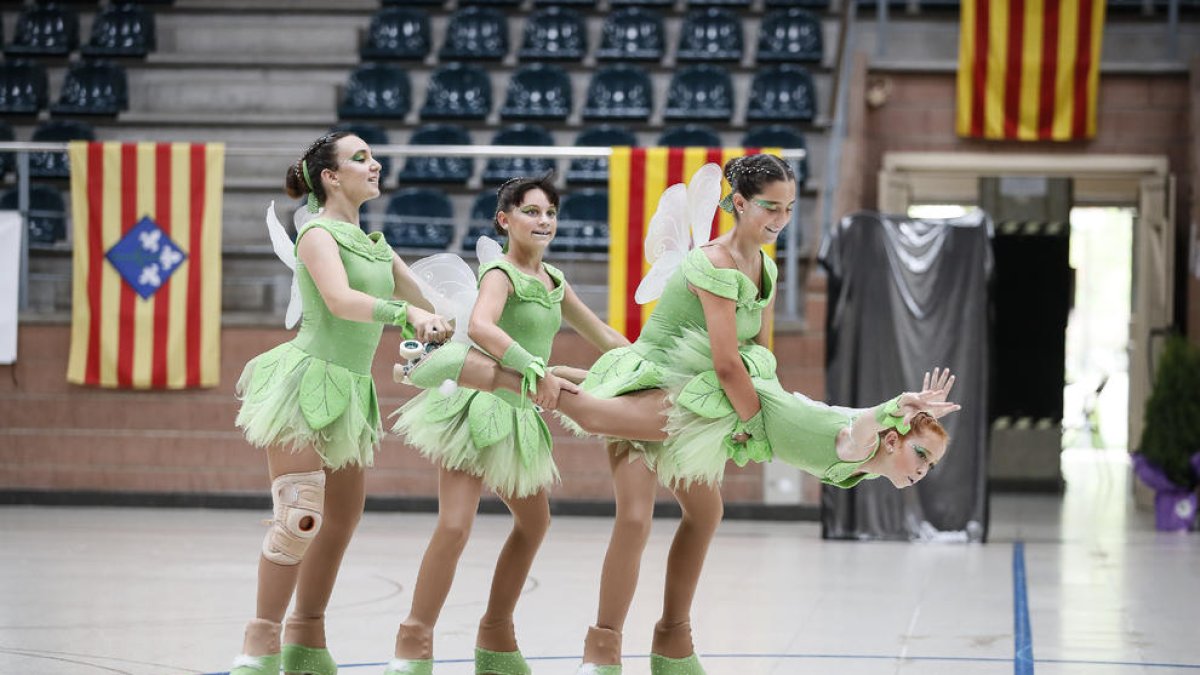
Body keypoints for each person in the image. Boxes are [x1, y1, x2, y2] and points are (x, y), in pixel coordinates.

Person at [400, 154, 959, 675]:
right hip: (673, 390)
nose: (782, 219)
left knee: (702, 512)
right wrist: (746, 422)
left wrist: (614, 365)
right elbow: (725, 362)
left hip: (695, 395)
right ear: (739, 202)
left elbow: (617, 338)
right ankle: (599, 648)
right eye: (771, 206)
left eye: (789, 208)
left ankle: (669, 637)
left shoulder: (762, 269)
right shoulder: (710, 264)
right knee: (627, 507)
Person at [384, 174, 630, 675]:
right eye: (532, 212)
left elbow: (601, 332)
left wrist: (647, 364)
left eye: (550, 214)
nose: (544, 222)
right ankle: (413, 642)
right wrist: (528, 363)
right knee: (454, 526)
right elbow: (480, 326)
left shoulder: (553, 281)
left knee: (535, 522)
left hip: (520, 413)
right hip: (478, 404)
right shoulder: (500, 271)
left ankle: (496, 635)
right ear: (505, 220)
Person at [229, 131, 452, 675]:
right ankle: (259, 645)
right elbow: (341, 300)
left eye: (373, 156)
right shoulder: (317, 234)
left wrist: (452, 327)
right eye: (361, 158)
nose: (374, 164)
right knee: (300, 514)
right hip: (305, 380)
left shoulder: (375, 245)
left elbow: (433, 305)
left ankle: (306, 640)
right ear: (331, 177)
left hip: (352, 390)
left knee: (343, 517)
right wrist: (406, 316)